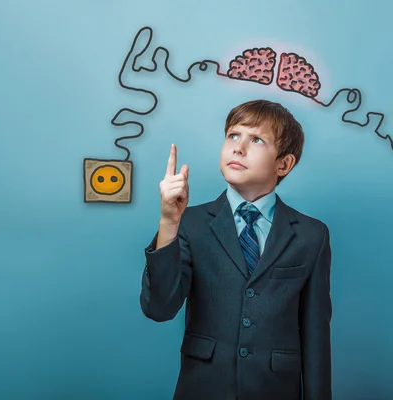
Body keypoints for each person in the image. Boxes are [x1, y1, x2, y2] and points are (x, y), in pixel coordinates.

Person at [140, 99, 332, 400]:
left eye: (256, 139)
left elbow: (316, 335)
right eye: (233, 135)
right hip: (203, 389)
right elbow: (159, 308)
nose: (238, 148)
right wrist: (168, 223)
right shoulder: (190, 223)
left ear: (283, 163)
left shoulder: (311, 234)